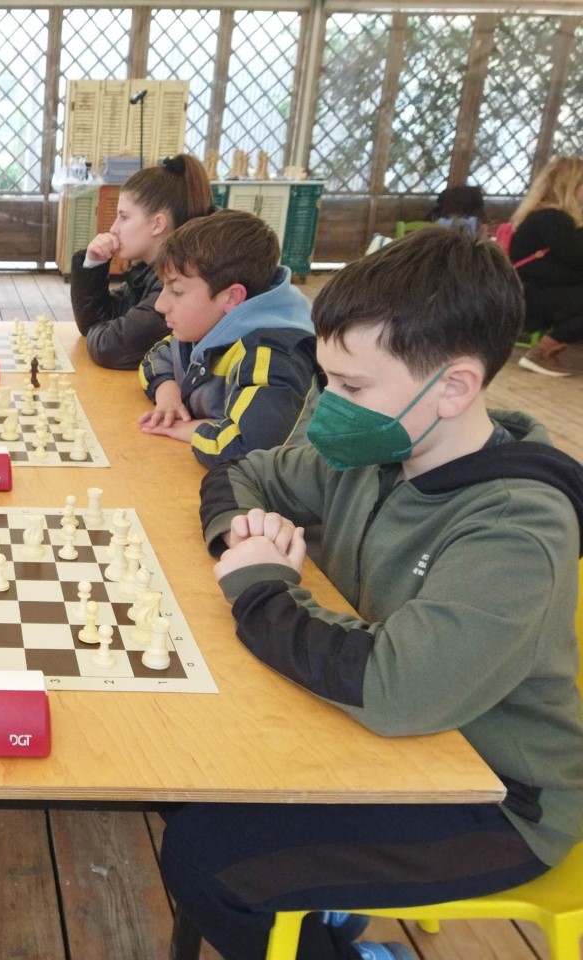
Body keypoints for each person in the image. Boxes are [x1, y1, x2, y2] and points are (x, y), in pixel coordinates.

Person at [161, 227, 583, 960]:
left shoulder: (517, 526)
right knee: (188, 778)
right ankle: (325, 905)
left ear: (453, 387)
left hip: (498, 795)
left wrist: (263, 590)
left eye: (352, 388)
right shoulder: (376, 450)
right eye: (328, 380)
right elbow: (241, 472)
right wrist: (244, 532)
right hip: (381, 744)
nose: (329, 407)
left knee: (209, 861)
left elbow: (396, 689)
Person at [136, 209, 318, 468]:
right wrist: (168, 394)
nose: (160, 305)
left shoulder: (272, 357)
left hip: (272, 488)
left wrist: (188, 428)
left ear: (232, 297)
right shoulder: (206, 327)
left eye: (176, 291)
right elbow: (156, 357)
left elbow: (248, 447)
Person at [69, 154, 214, 370]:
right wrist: (93, 264)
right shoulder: (149, 271)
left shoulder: (181, 280)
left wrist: (101, 329)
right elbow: (97, 322)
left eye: (124, 217)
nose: (113, 228)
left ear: (157, 224)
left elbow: (109, 348)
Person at [509, 157, 583, 377]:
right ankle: (541, 352)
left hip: (540, 291)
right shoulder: (552, 218)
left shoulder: (549, 217)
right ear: (570, 186)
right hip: (534, 296)